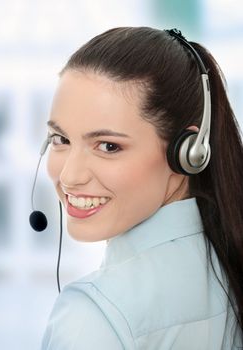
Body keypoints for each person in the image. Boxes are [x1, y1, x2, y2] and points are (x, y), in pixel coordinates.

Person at [40, 27, 243, 349]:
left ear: (187, 152)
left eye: (108, 146)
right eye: (61, 140)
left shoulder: (94, 315)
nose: (70, 176)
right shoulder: (228, 264)